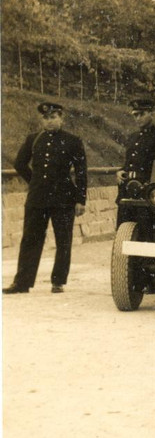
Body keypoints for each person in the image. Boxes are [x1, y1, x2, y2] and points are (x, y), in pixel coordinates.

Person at [4, 102, 88, 294]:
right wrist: (34, 181)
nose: (49, 121)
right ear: (41, 119)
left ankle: (58, 281)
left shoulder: (73, 141)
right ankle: (22, 282)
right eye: (46, 118)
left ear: (61, 118)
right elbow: (19, 164)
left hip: (63, 198)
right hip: (37, 198)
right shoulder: (33, 139)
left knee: (63, 241)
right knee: (30, 239)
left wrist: (80, 199)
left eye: (53, 117)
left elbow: (82, 172)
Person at [116, 98, 155, 227]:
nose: (138, 118)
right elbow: (129, 162)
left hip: (146, 190)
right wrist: (120, 171)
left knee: (144, 230)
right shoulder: (133, 137)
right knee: (123, 229)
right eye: (135, 115)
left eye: (142, 114)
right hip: (128, 189)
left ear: (151, 113)